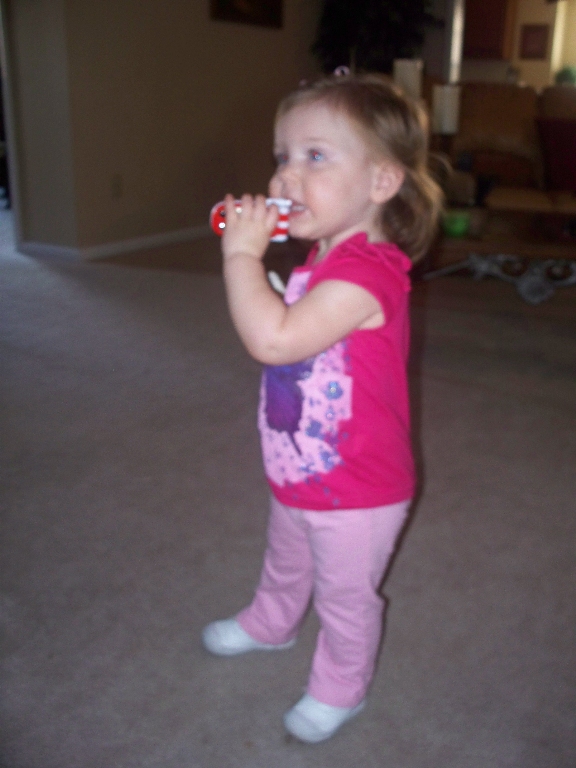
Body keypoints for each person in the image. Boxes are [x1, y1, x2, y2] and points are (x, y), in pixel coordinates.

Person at [202, 72, 442, 743]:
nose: (285, 176)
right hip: (301, 466)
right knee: (286, 559)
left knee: (345, 596)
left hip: (360, 487)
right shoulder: (322, 257)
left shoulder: (369, 273)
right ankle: (271, 623)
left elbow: (274, 340)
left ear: (381, 181)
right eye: (282, 156)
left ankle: (342, 686)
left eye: (315, 156)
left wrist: (241, 256)